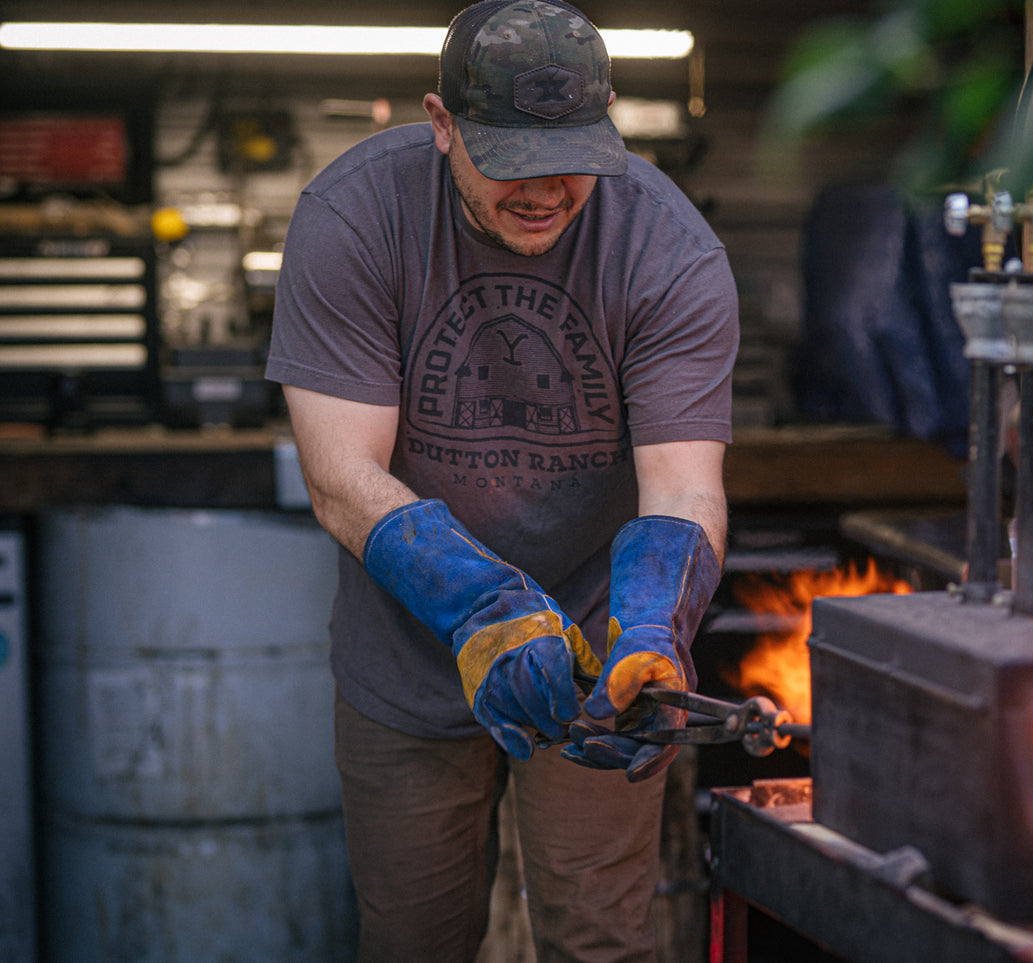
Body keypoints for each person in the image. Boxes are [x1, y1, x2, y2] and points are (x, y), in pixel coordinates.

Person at [264, 1, 738, 960]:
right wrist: (487, 606)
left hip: (600, 656)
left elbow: (684, 489)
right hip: (406, 654)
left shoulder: (668, 250)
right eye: (509, 159)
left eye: (570, 156)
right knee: (413, 941)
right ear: (442, 125)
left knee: (601, 942)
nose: (545, 190)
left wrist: (651, 627)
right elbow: (340, 475)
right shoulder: (353, 217)